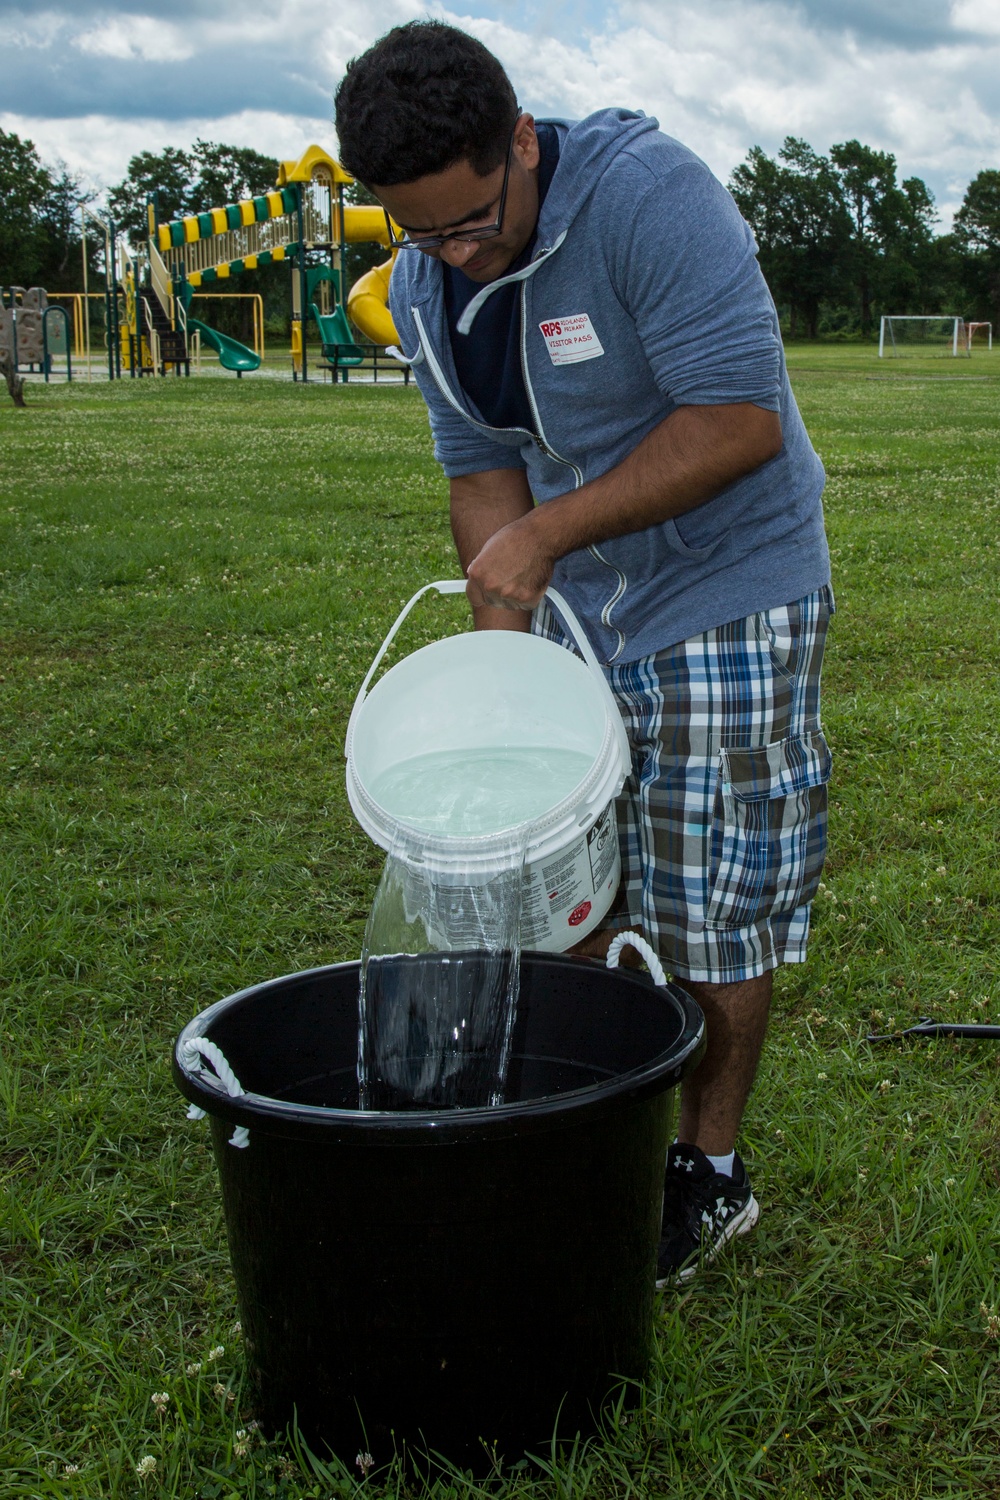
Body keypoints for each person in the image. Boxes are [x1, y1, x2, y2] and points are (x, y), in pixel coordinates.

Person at [334, 21, 833, 1284]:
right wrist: (503, 679)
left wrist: (547, 539)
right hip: (579, 605)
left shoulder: (648, 200)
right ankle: (588, 1141)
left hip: (728, 586)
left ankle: (706, 1171)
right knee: (562, 885)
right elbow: (480, 476)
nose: (449, 252)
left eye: (469, 220)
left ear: (519, 139)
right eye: (415, 232)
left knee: (710, 907)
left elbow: (738, 420)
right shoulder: (433, 284)